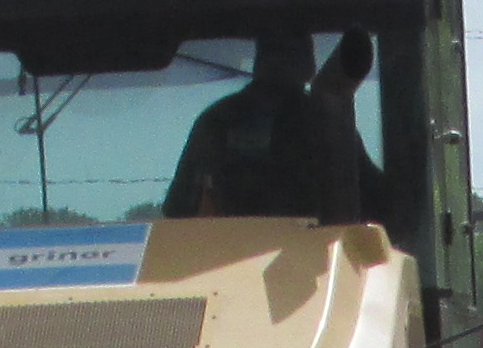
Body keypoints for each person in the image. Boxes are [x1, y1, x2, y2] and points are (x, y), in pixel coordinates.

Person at [161, 26, 376, 223]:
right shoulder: (220, 122)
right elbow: (182, 209)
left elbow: (375, 199)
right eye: (286, 51)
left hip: (319, 249)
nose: (299, 60)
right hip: (231, 251)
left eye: (300, 51)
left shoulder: (327, 116)